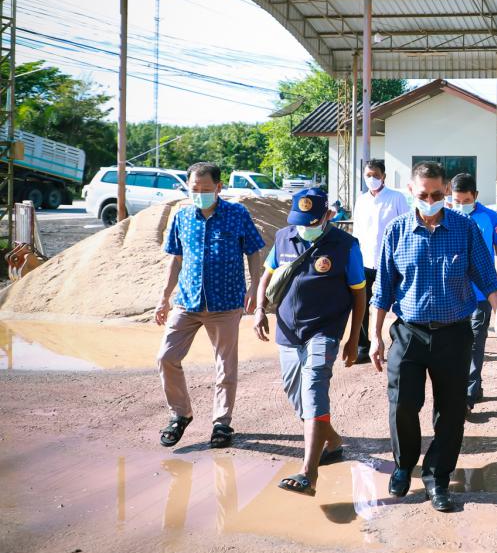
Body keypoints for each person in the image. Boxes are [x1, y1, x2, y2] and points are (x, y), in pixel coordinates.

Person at [369, 161, 497, 512]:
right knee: (403, 403)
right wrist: (375, 336)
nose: (429, 201)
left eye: (435, 194)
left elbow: (486, 275)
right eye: (423, 195)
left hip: (454, 334)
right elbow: (382, 289)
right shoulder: (396, 231)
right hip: (409, 334)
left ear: (445, 191)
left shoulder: (464, 228)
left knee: (451, 410)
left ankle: (437, 478)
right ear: (411, 192)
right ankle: (404, 465)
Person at [252, 189, 366, 495]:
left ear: (328, 215)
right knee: (296, 394)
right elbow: (267, 275)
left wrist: (354, 338)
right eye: (300, 221)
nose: (304, 227)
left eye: (311, 222)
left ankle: (308, 473)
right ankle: (333, 441)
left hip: (325, 330)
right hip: (288, 329)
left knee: (314, 386)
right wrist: (260, 309)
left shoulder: (346, 245)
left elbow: (359, 293)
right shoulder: (283, 237)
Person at [154, 162, 265, 449]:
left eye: (206, 189)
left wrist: (254, 286)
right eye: (194, 188)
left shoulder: (237, 214)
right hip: (186, 302)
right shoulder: (182, 216)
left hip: (225, 303)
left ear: (218, 187)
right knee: (166, 357)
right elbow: (176, 259)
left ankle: (221, 423)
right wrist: (164, 297)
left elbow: (254, 250)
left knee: (225, 365)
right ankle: (180, 414)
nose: (199, 193)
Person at [449, 173, 497, 410]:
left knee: (476, 343)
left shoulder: (490, 217)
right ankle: (474, 387)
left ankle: (467, 396)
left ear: (475, 195)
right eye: (456, 201)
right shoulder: (445, 217)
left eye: (466, 201)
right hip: (454, 293)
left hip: (482, 292)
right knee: (456, 344)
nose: (461, 206)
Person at [352, 159, 409, 364]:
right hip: (365, 259)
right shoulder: (361, 201)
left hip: (392, 261)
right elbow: (357, 231)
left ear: (384, 176)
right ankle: (362, 346)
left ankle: (402, 343)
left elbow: (406, 227)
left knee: (400, 302)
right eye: (368, 175)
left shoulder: (396, 198)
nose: (372, 179)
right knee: (361, 303)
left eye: (376, 175)